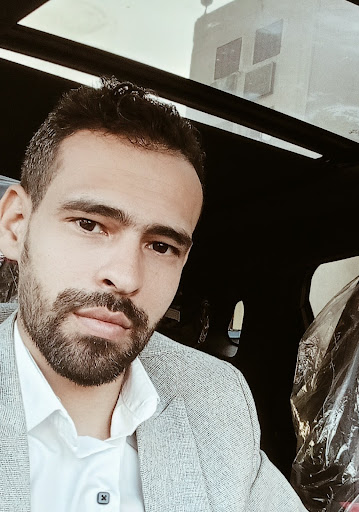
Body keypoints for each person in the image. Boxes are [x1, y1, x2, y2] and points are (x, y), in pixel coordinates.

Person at [0, 77, 307, 512]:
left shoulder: (215, 398)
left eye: (161, 246)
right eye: (90, 224)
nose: (126, 277)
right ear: (16, 225)